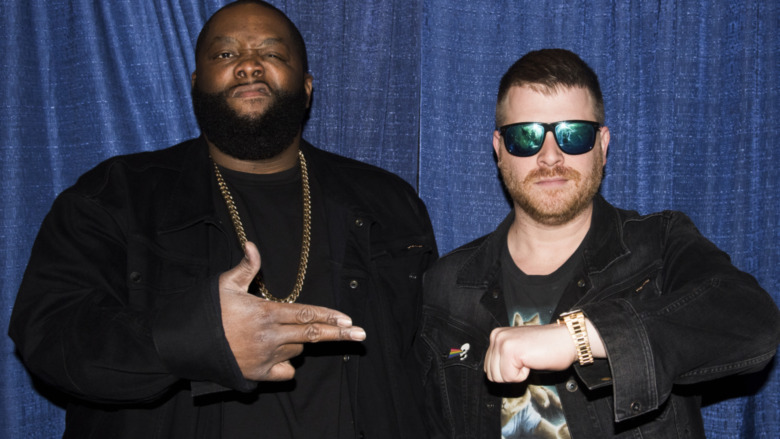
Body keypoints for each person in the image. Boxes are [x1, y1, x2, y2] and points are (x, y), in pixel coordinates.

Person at [8, 1, 437, 438]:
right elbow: (50, 339)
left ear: (307, 87)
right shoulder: (116, 196)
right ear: (196, 85)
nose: (249, 65)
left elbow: (428, 365)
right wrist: (198, 340)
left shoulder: (387, 201)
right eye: (226, 54)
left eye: (272, 53)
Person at [414, 48, 780, 438]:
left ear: (603, 146)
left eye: (573, 134)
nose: (550, 156)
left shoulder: (658, 245)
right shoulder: (446, 285)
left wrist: (582, 337)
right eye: (526, 136)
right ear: (499, 148)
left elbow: (752, 324)